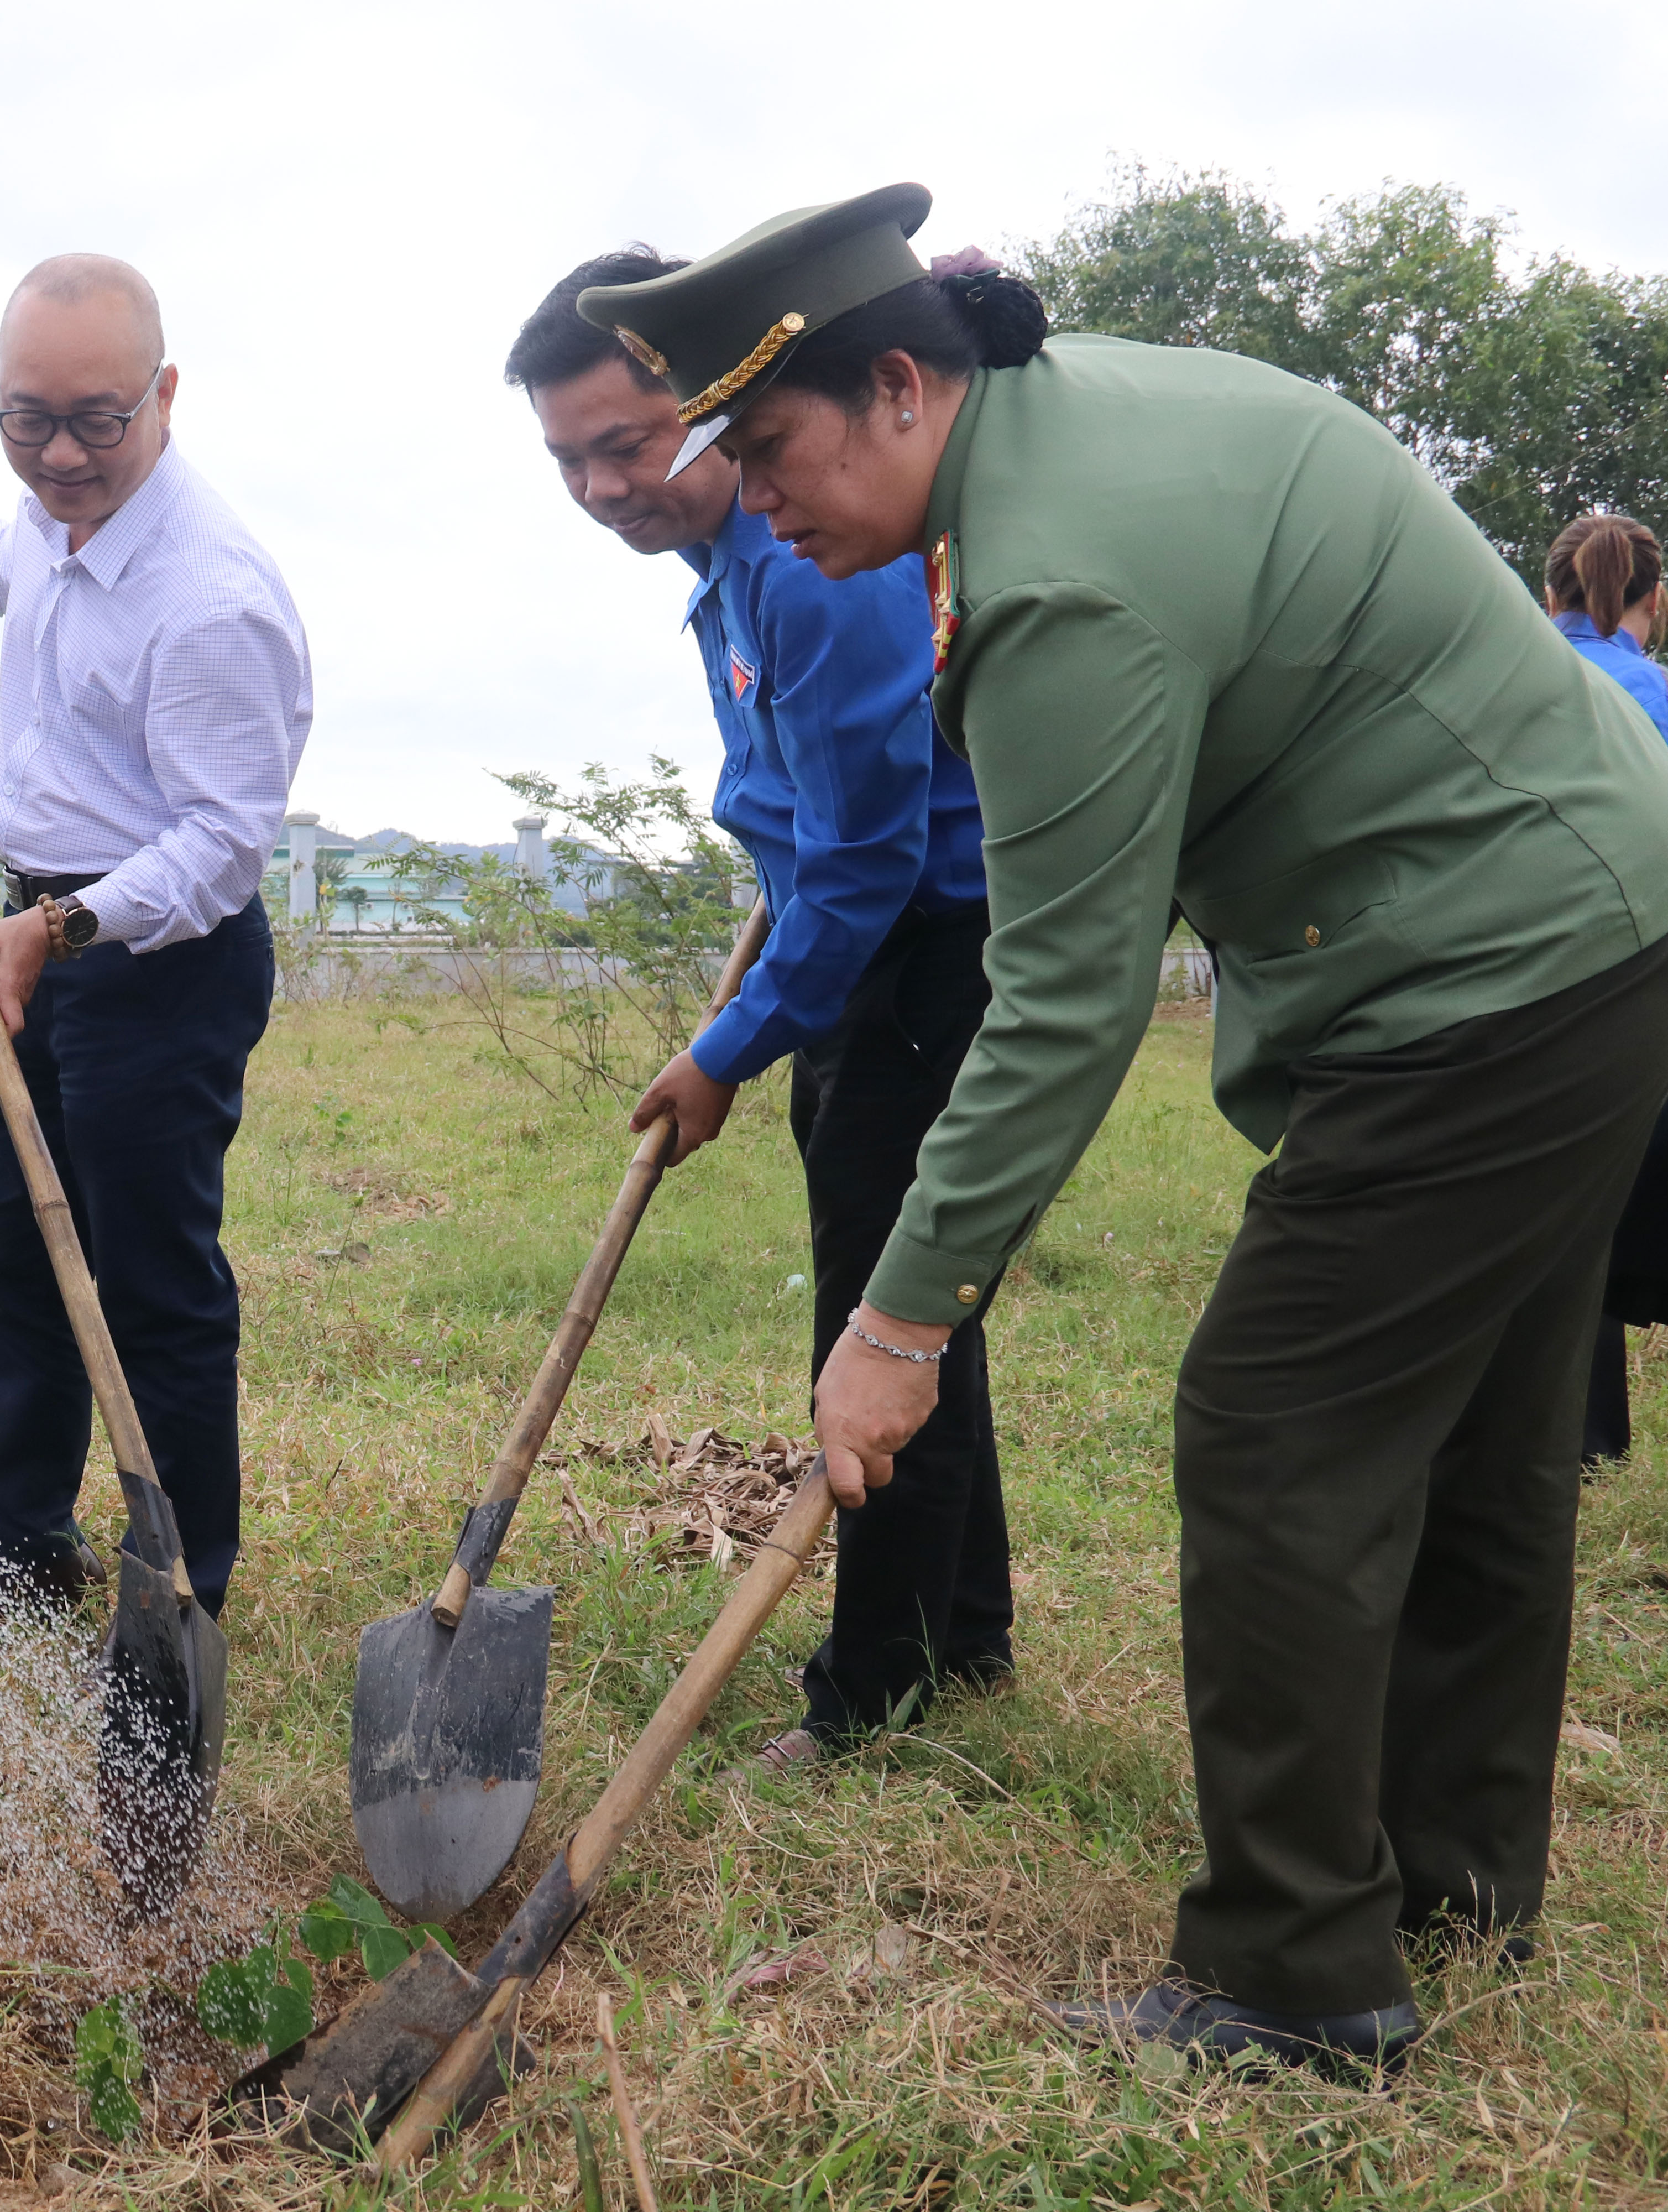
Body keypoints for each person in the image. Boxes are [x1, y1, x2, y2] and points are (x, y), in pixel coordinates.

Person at [581, 185, 1668, 2074]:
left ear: (903, 387)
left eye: (766, 444)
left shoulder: (1057, 583)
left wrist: (897, 1324)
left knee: (1272, 1432)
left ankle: (1292, 1980)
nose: (748, 495)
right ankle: (1452, 1888)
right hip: (1598, 927)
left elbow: (1065, 1009)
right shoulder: (1074, 425)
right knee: (1485, 1446)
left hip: (1487, 983)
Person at [508, 251, 1008, 1773]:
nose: (602, 488)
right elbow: (802, 820)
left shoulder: (812, 568)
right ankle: (958, 1636)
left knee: (882, 1311)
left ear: (717, 402)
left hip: (923, 955)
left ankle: (871, 1691)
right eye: (569, 460)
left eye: (627, 442)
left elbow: (864, 868)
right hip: (851, 955)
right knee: (921, 1303)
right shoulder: (724, 569)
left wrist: (725, 1050)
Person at [0, 255, 310, 1617]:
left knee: (152, 1285)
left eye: (99, 419)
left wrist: (63, 925)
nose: (64, 454)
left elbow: (221, 844)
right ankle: (20, 1542)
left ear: (166, 396)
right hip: (34, 938)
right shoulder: (56, 512)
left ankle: (181, 1579)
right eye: (29, 420)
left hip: (153, 960)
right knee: (20, 1252)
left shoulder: (214, 597)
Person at [1546, 511, 1668, 1460]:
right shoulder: (1656, 693)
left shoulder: (1504, 674)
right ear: (1653, 600)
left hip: (1508, 985)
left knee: (1552, 1206)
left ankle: (1579, 1434)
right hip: (1643, 980)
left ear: (1551, 593)